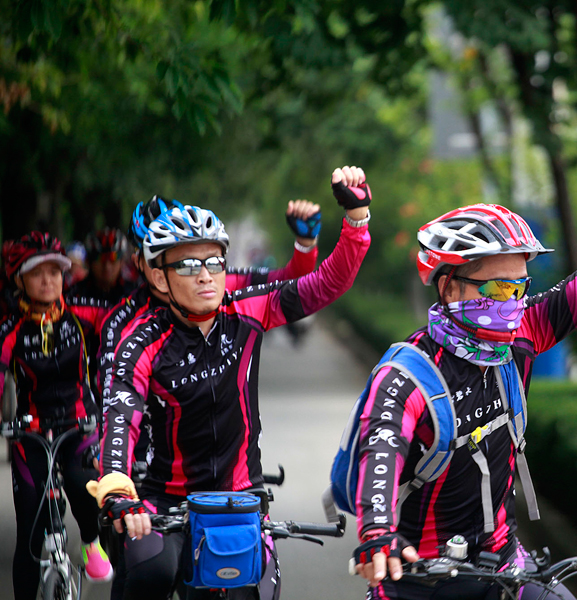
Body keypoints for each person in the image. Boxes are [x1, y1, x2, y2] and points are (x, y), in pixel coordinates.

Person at [349, 189, 577, 600]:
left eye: (520, 288)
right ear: (449, 288)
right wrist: (377, 530)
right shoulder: (408, 374)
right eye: (498, 290)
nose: (513, 304)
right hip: (416, 580)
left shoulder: (521, 337)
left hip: (506, 571)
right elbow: (379, 445)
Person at [89, 166, 372, 600]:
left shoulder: (247, 310)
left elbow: (326, 284)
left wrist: (355, 220)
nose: (205, 274)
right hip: (165, 502)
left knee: (253, 590)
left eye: (214, 261)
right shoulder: (140, 340)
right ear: (158, 276)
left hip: (241, 499)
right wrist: (117, 487)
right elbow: (120, 416)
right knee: (148, 572)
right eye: (187, 264)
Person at [0, 232, 114, 600]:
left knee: (85, 487)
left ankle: (91, 540)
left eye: (56, 271)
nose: (49, 280)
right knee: (30, 530)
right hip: (29, 430)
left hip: (79, 423)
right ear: (19, 279)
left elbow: (126, 329)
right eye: (37, 273)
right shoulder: (10, 328)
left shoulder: (83, 312)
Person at [71, 227, 136, 304]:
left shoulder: (133, 293)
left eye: (113, 259)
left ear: (122, 261)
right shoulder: (76, 294)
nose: (107, 266)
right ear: (88, 262)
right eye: (100, 259)